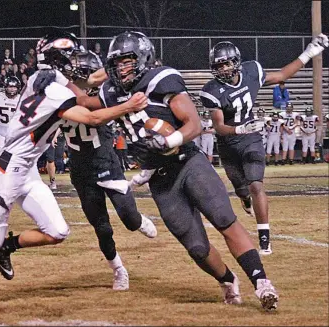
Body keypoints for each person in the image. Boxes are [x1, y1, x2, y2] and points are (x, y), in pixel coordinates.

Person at [0, 31, 148, 309]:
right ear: (58, 58)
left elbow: (87, 78)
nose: (74, 62)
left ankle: (8, 246)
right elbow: (92, 116)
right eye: (70, 56)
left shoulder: (39, 78)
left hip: (27, 170)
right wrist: (127, 105)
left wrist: (115, 70)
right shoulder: (57, 91)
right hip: (8, 171)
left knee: (58, 231)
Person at [77, 31, 278, 310]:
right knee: (195, 246)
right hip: (160, 178)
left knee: (224, 219)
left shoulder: (161, 79)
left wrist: (167, 140)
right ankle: (227, 279)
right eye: (117, 63)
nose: (121, 68)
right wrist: (60, 78)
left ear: (143, 57)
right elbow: (83, 103)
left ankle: (261, 282)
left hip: (188, 161)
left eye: (127, 61)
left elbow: (193, 125)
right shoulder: (111, 92)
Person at [199, 34, 328, 254]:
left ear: (236, 62)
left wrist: (310, 52)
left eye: (226, 63)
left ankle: (264, 237)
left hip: (251, 138)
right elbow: (219, 126)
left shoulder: (252, 71)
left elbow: (282, 75)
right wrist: (239, 128)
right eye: (218, 66)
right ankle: (244, 199)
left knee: (256, 184)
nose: (223, 69)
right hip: (228, 143)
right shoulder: (211, 90)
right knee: (242, 189)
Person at [63, 50, 157, 290]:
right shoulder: (59, 96)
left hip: (106, 163)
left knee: (129, 219)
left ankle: (138, 221)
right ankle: (119, 270)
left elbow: (101, 109)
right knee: (102, 227)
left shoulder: (106, 95)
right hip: (81, 170)